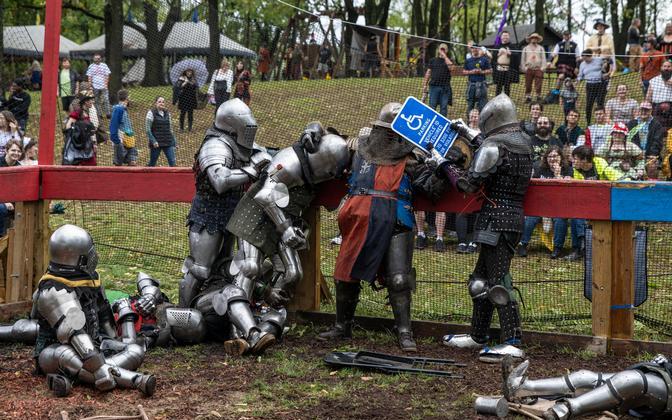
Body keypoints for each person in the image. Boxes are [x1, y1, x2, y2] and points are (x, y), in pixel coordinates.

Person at [318, 102, 449, 352]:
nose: (389, 137)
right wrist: (315, 133)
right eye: (387, 131)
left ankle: (404, 331)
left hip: (396, 219)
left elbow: (431, 189)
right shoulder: (356, 150)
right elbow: (326, 157)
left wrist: (445, 168)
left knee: (399, 279)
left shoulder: (411, 159)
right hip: (359, 218)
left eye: (394, 132)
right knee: (345, 275)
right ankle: (342, 326)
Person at [439, 94, 532, 362]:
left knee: (499, 282)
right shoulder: (523, 143)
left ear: (490, 120)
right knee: (479, 282)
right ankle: (478, 335)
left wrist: (444, 166)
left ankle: (513, 341)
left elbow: (468, 184)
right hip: (508, 218)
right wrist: (467, 133)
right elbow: (494, 154)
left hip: (497, 221)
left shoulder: (494, 145)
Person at [226, 124, 350, 319]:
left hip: (282, 222)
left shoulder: (313, 169)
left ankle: (268, 316)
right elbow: (265, 195)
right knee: (250, 268)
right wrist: (285, 229)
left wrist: (298, 231)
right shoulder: (290, 162)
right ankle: (238, 323)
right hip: (256, 217)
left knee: (292, 273)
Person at [179, 98, 267, 308]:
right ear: (232, 125)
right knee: (201, 269)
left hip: (233, 213)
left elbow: (268, 156)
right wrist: (253, 170)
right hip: (208, 213)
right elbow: (220, 181)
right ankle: (183, 312)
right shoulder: (214, 145)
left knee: (224, 266)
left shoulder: (240, 145)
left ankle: (212, 311)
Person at [502, 354, 672, 420]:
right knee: (584, 377)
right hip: (662, 375)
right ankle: (521, 387)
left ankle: (564, 411)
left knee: (631, 381)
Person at [517, 146, 573, 259]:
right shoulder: (539, 168)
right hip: (541, 204)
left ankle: (557, 248)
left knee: (560, 220)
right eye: (550, 156)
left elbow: (566, 191)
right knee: (530, 218)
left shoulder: (568, 169)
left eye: (555, 156)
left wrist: (557, 174)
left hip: (559, 205)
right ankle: (522, 244)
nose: (552, 159)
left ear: (561, 157)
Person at [567, 146, 622, 261]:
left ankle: (583, 246)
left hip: (604, 202)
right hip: (587, 202)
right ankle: (579, 247)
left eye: (575, 158)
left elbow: (618, 177)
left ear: (584, 159)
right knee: (575, 215)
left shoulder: (599, 164)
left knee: (578, 216)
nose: (573, 161)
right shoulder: (576, 170)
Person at [627, 101, 666, 179]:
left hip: (650, 154)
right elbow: (630, 140)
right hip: (634, 154)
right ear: (639, 110)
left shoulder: (656, 125)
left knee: (652, 166)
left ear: (651, 111)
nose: (643, 112)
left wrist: (652, 154)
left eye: (646, 110)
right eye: (642, 110)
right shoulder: (632, 123)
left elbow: (657, 142)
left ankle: (651, 185)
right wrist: (637, 153)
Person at [577, 49, 610, 125]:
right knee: (589, 104)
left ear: (590, 56)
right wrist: (578, 80)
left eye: (586, 57)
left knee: (600, 103)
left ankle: (602, 121)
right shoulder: (582, 64)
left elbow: (609, 60)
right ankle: (588, 122)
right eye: (583, 57)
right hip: (590, 85)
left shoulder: (599, 60)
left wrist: (606, 69)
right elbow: (580, 75)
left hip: (601, 84)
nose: (584, 59)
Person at [64, 93, 97, 166]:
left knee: (92, 163)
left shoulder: (86, 112)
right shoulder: (78, 112)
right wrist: (75, 139)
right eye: (91, 100)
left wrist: (93, 143)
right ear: (86, 102)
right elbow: (68, 126)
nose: (92, 102)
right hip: (79, 145)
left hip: (87, 143)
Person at [423, 42, 454, 117]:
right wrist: (425, 85)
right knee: (432, 106)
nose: (442, 50)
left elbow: (451, 68)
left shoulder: (449, 60)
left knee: (443, 108)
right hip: (434, 87)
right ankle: (430, 120)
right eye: (441, 49)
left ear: (447, 50)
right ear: (438, 50)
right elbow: (428, 73)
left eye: (444, 49)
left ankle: (442, 122)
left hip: (445, 88)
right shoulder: (433, 60)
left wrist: (444, 56)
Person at [146, 96, 177, 167]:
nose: (161, 103)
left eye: (163, 102)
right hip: (156, 143)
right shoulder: (151, 113)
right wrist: (153, 141)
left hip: (168, 141)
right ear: (156, 103)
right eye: (159, 102)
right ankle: (147, 173)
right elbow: (148, 130)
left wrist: (174, 141)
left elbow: (170, 129)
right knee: (152, 163)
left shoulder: (167, 113)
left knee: (172, 162)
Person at [109, 89, 137, 166]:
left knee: (132, 162)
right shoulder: (118, 109)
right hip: (121, 141)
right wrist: (117, 141)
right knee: (119, 164)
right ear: (127, 98)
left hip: (129, 139)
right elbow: (113, 126)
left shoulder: (124, 109)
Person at [464, 44, 492, 114]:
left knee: (483, 105)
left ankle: (481, 120)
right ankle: (469, 120)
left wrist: (481, 72)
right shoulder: (468, 60)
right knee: (470, 105)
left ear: (479, 49)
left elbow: (490, 70)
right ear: (471, 49)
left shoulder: (484, 59)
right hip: (471, 85)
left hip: (482, 85)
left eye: (476, 48)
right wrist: (472, 72)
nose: (475, 49)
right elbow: (464, 72)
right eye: (473, 48)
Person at [646, 60, 672, 132]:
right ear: (661, 68)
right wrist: (647, 106)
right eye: (664, 66)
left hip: (671, 107)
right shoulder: (654, 80)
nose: (666, 68)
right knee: (657, 127)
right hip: (656, 107)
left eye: (669, 66)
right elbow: (648, 96)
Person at [521, 33, 547, 104]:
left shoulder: (541, 48)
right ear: (530, 39)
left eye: (536, 38)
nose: (534, 39)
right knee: (528, 84)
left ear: (538, 39)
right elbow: (523, 59)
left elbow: (544, 58)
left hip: (538, 68)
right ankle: (528, 97)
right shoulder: (525, 48)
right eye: (532, 38)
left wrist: (543, 68)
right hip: (528, 68)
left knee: (539, 84)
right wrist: (524, 68)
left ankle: (538, 96)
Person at [493, 31, 521, 96]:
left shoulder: (512, 46)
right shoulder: (497, 46)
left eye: (506, 35)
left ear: (509, 37)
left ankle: (507, 99)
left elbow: (517, 55)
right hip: (499, 69)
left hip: (508, 69)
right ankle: (497, 99)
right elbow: (493, 57)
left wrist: (510, 54)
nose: (505, 37)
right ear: (501, 37)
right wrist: (498, 54)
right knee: (498, 86)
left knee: (507, 86)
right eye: (504, 35)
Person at [86, 53, 111, 119]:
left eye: (98, 58)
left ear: (100, 59)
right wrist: (90, 86)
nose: (97, 60)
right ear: (93, 59)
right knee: (97, 100)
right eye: (96, 58)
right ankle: (99, 114)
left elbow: (107, 75)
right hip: (95, 86)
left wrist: (106, 84)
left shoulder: (104, 65)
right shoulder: (91, 66)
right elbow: (89, 76)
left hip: (103, 86)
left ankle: (108, 113)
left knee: (106, 99)